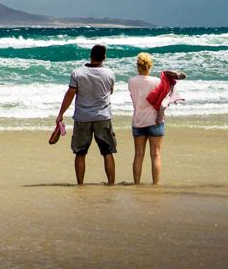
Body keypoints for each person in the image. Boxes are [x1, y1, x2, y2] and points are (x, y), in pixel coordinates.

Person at [54, 44, 116, 185]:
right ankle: (111, 184)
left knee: (80, 153)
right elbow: (110, 91)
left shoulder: (78, 73)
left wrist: (61, 114)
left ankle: (80, 184)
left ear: (91, 55)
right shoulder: (109, 73)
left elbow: (70, 95)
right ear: (104, 57)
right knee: (107, 152)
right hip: (103, 117)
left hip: (83, 117)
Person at [127, 52, 185, 185]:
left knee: (138, 154)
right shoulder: (157, 81)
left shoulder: (131, 81)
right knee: (156, 155)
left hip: (138, 121)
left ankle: (136, 184)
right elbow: (163, 96)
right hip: (155, 121)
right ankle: (155, 185)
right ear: (150, 66)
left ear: (137, 66)